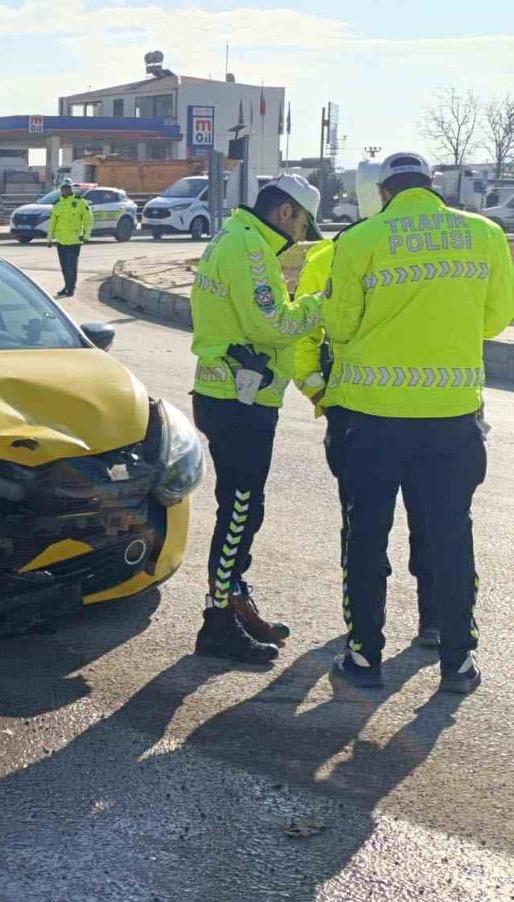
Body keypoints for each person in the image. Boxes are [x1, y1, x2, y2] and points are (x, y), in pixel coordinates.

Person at [324, 151, 514, 694]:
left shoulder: (360, 240)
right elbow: (497, 317)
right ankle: (456, 660)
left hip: (373, 421)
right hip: (452, 419)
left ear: (384, 192)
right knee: (451, 535)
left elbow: (339, 325)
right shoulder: (484, 233)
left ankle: (365, 657)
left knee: (366, 536)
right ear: (432, 187)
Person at [189, 174, 325, 663]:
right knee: (240, 512)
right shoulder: (250, 248)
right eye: (303, 223)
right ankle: (217, 623)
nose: (301, 236)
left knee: (244, 508)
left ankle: (234, 602)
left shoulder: (232, 235)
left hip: (226, 394)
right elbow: (272, 323)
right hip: (239, 401)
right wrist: (320, 304)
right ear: (286, 211)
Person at [292, 236, 439, 649]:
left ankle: (409, 625)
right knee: (377, 527)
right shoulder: (331, 257)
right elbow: (305, 334)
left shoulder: (340, 254)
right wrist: (320, 394)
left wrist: (321, 393)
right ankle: (371, 623)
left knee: (391, 523)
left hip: (394, 412)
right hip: (373, 414)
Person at [47, 177, 93, 298]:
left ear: (71, 189)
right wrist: (49, 238)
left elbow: (88, 219)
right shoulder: (58, 204)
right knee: (64, 267)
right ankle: (67, 286)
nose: (65, 190)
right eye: (63, 188)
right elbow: (52, 222)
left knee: (72, 265)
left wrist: (86, 235)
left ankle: (71, 288)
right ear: (61, 190)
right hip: (61, 240)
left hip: (75, 240)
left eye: (67, 188)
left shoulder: (80, 202)